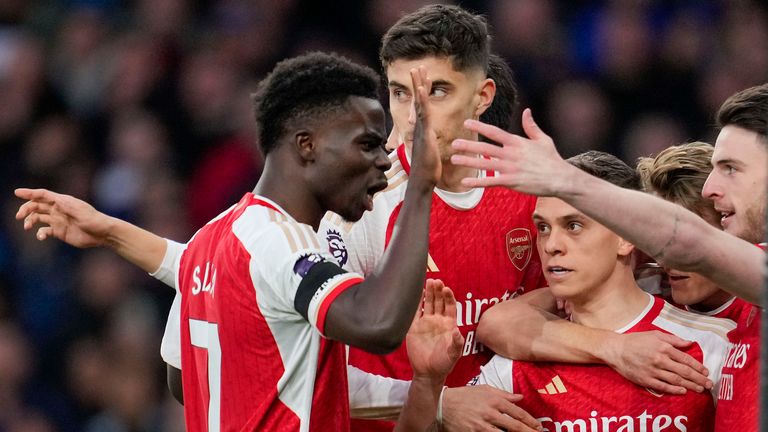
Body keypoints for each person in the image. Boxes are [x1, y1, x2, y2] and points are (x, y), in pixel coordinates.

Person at [15, 51, 443, 431]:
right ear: (307, 145)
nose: (384, 160)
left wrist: (110, 231)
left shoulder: (213, 238)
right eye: (367, 144)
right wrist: (420, 186)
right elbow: (378, 325)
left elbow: (182, 379)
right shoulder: (284, 244)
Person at [451, 84, 767, 431]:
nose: (711, 188)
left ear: (626, 239)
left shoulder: (709, 341)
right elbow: (498, 323)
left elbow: (693, 242)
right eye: (542, 228)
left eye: (731, 168)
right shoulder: (678, 296)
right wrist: (613, 346)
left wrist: (566, 181)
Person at [318, 6, 544, 431]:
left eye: (437, 91)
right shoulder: (361, 203)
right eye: (400, 93)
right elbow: (312, 368)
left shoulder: (526, 188)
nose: (412, 115)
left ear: (483, 95)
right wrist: (440, 402)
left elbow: (561, 314)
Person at [464, 151, 734, 431]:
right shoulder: (510, 369)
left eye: (574, 226)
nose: (551, 245)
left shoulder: (714, 346)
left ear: (626, 237)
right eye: (543, 227)